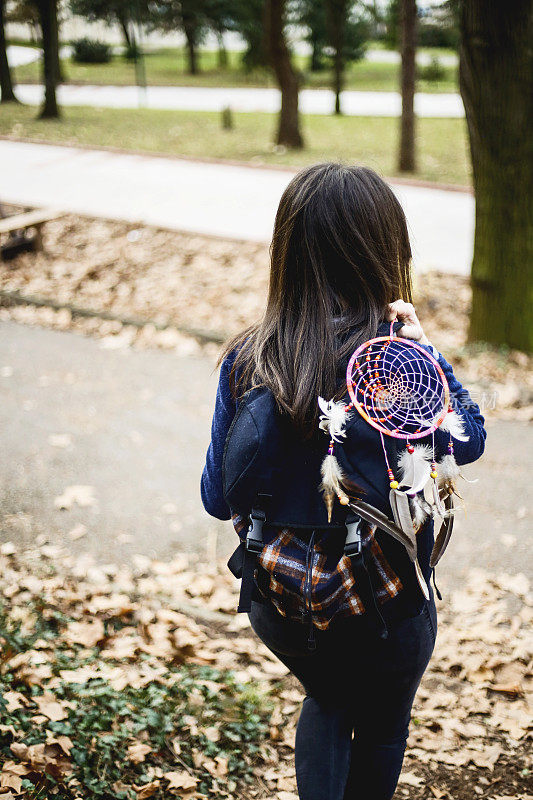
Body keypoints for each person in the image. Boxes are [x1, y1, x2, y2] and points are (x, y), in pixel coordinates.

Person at [200, 163, 486, 800]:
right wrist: (430, 355)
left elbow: (218, 497)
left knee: (327, 700)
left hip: (283, 600)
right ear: (385, 249)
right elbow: (469, 439)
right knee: (383, 728)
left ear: (289, 251)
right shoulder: (398, 363)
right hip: (388, 602)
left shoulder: (250, 359)